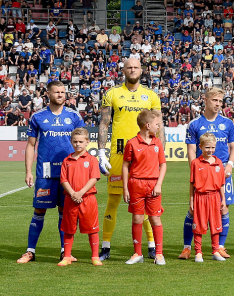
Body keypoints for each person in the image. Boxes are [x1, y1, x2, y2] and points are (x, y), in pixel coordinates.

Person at [97, 57, 162, 261]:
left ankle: (151, 245)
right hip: (119, 154)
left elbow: (159, 126)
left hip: (146, 156)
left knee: (146, 202)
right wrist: (101, 151)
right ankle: (106, 245)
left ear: (141, 70)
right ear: (123, 70)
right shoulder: (112, 94)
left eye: (136, 67)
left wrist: (162, 154)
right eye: (129, 67)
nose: (132, 70)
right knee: (113, 200)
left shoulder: (151, 95)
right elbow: (104, 123)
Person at [18, 81, 86, 264]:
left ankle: (66, 251)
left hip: (68, 174)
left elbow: (83, 144)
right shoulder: (38, 116)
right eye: (57, 92)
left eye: (63, 92)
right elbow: (31, 145)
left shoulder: (74, 116)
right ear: (48, 94)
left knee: (65, 212)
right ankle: (30, 251)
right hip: (45, 172)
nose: (60, 95)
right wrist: (28, 171)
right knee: (39, 210)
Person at [179, 87, 234, 260]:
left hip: (223, 171)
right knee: (193, 210)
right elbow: (191, 150)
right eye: (215, 100)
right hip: (202, 172)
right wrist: (195, 170)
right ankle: (187, 247)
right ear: (205, 100)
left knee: (223, 208)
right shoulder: (195, 124)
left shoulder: (227, 123)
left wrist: (230, 166)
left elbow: (233, 147)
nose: (218, 104)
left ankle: (219, 247)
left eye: (220, 101)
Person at [121, 109, 167, 265]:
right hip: (136, 184)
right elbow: (125, 165)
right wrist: (125, 188)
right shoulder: (132, 143)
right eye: (156, 124)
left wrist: (159, 184)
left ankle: (159, 254)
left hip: (153, 184)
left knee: (155, 218)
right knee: (137, 217)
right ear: (148, 125)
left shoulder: (157, 142)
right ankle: (137, 253)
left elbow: (163, 165)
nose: (158, 127)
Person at [57, 128, 102, 267]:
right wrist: (72, 194)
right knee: (68, 228)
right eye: (75, 141)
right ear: (71, 142)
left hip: (87, 199)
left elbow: (94, 178)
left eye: (81, 142)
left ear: (87, 142)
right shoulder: (67, 160)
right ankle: (67, 256)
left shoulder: (92, 160)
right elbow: (63, 180)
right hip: (70, 199)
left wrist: (80, 193)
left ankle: (95, 256)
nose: (78, 144)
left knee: (92, 229)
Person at [188, 132, 229, 262]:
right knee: (199, 225)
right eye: (207, 147)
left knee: (216, 225)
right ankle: (198, 252)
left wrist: (223, 199)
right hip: (200, 197)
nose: (210, 150)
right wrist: (191, 200)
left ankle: (215, 251)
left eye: (212, 147)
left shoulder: (218, 162)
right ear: (200, 147)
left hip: (215, 197)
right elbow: (192, 184)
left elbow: (222, 183)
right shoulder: (195, 163)